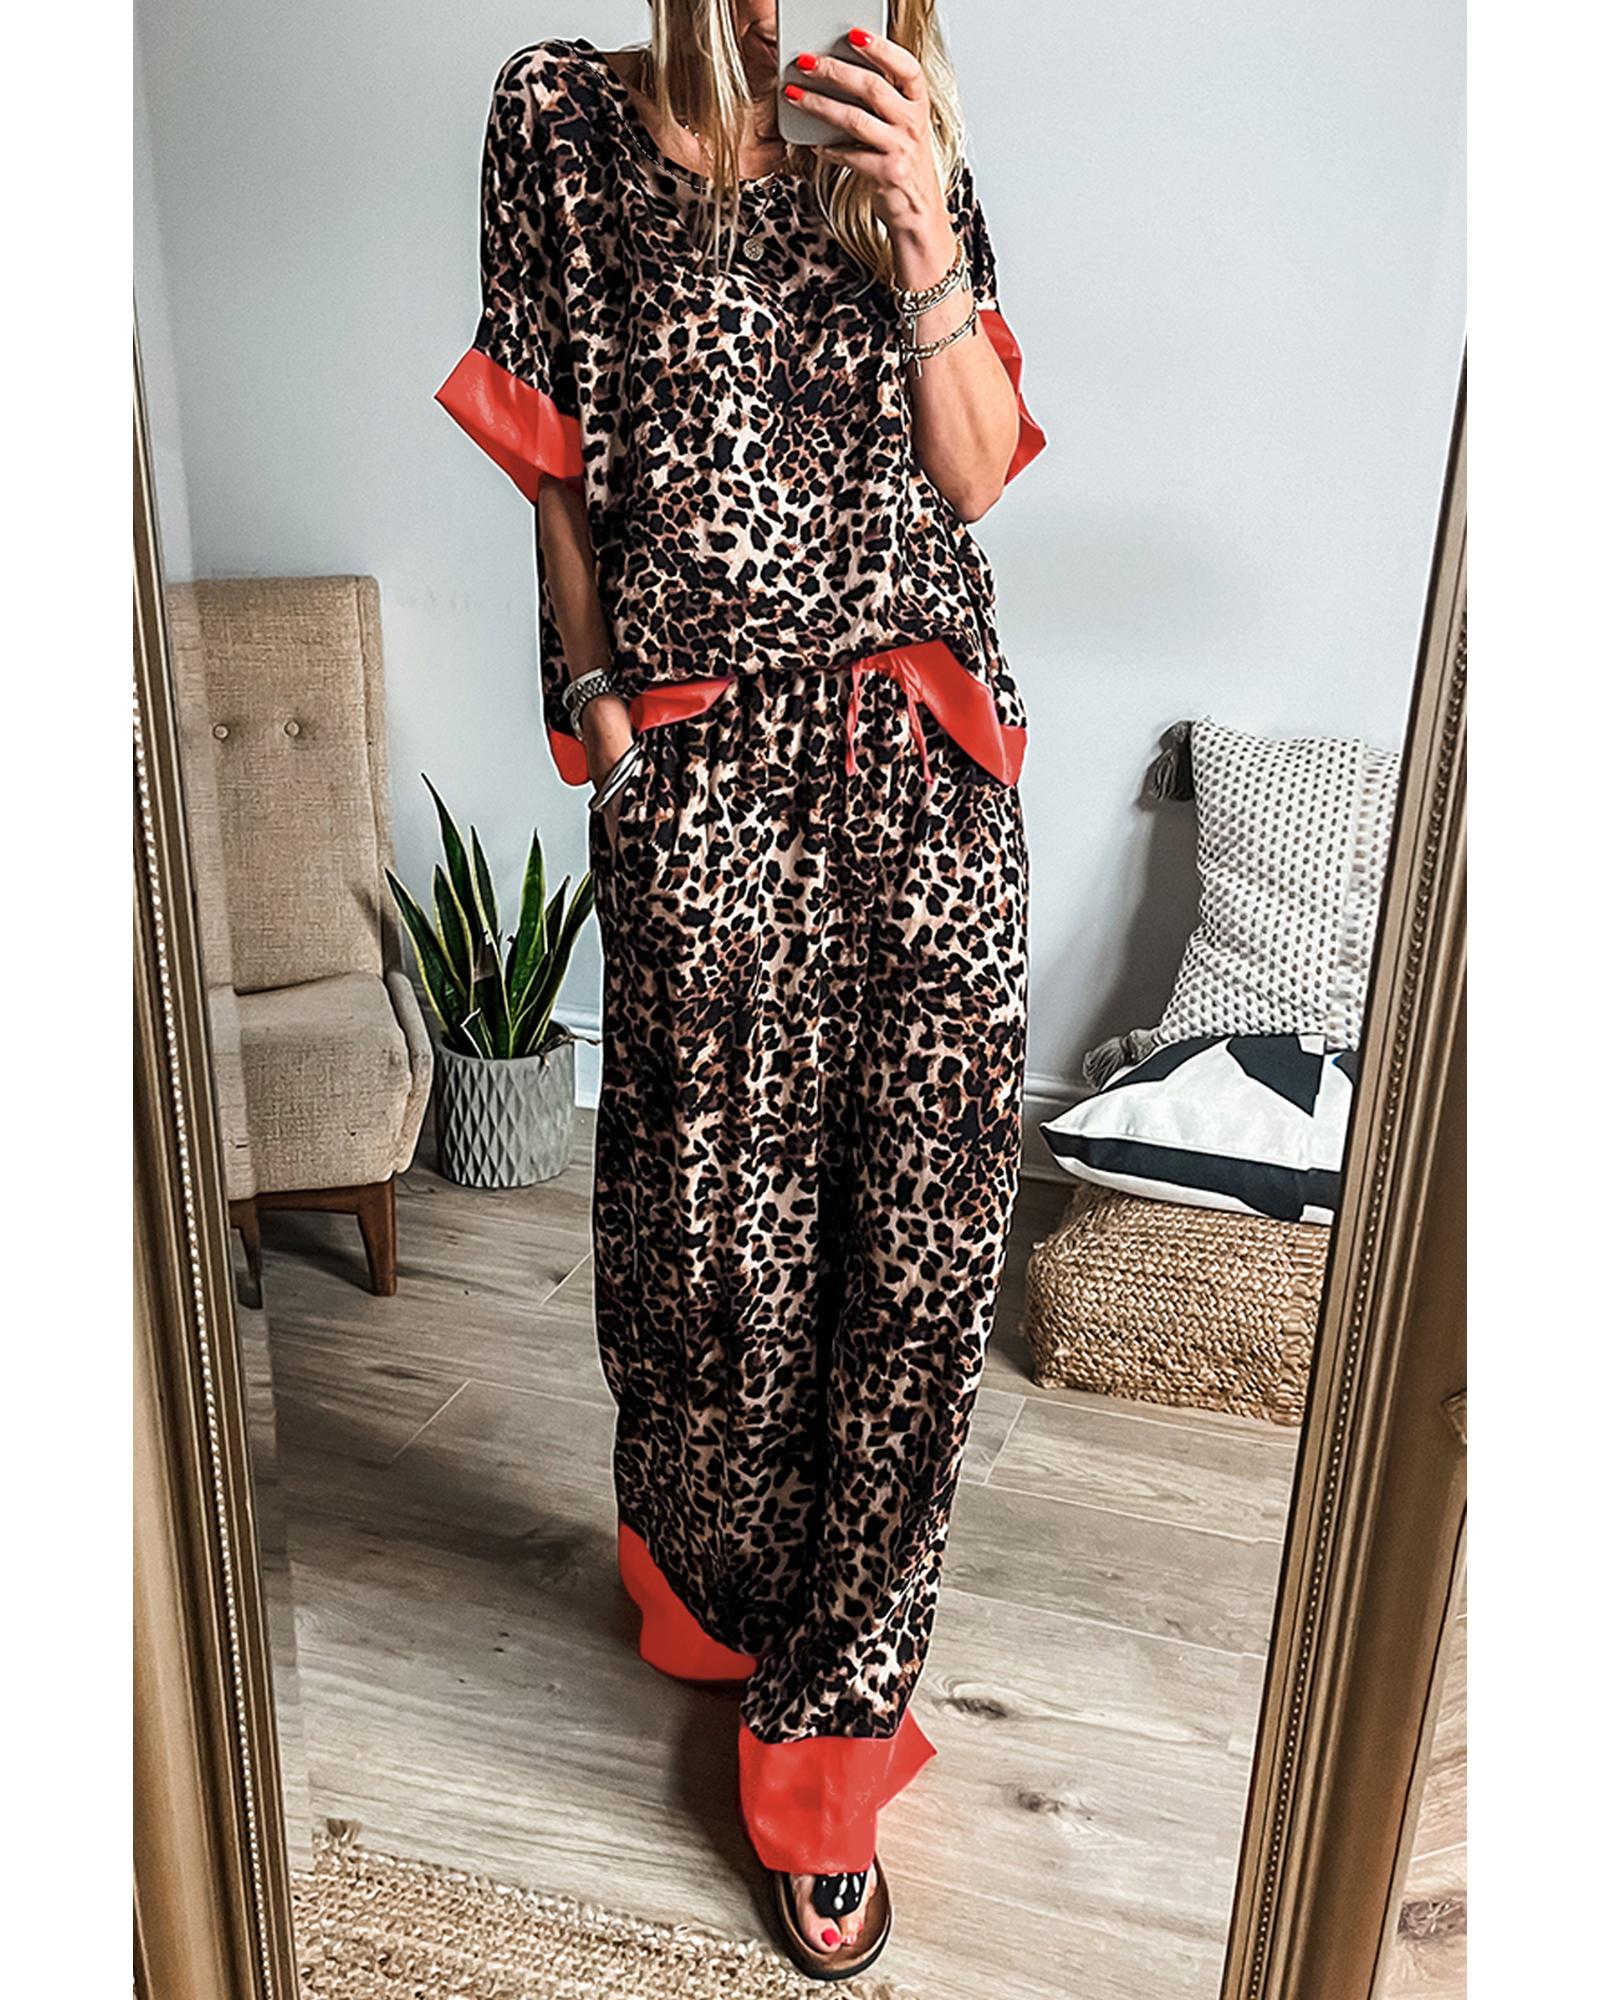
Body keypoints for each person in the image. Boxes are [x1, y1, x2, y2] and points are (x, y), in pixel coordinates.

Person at [436, 2, 1043, 1978]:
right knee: (712, 1267)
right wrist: (601, 718)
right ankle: (719, 1602)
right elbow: (552, 469)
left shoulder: (898, 122)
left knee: (917, 1273)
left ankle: (828, 1751)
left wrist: (927, 229)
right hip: (700, 776)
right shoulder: (559, 120)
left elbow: (973, 477)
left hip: (920, 770)